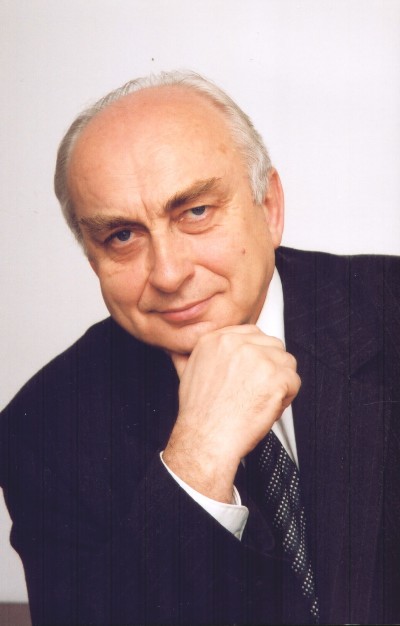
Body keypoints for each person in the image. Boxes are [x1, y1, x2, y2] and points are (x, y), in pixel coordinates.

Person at [1, 70, 399, 626]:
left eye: (195, 212)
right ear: (93, 258)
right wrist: (197, 460)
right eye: (122, 236)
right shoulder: (44, 429)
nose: (168, 274)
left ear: (269, 206)